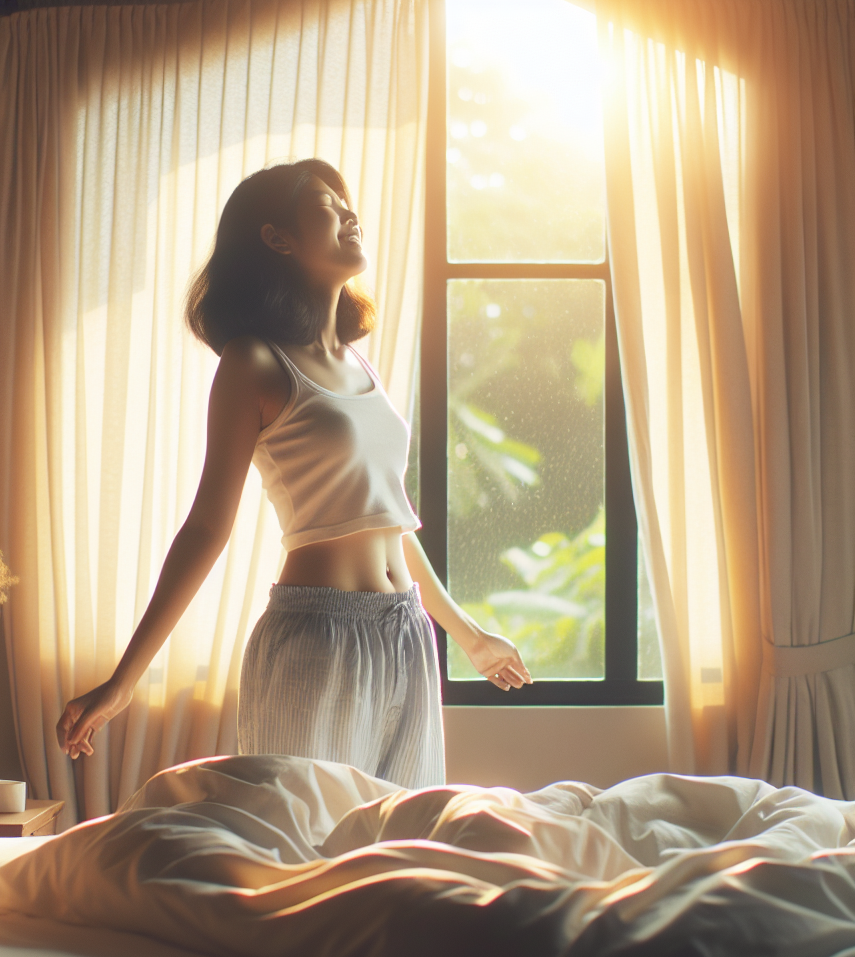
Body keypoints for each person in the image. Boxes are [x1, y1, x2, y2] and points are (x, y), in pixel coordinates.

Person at [56, 159, 532, 787]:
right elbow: (205, 527)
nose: (350, 212)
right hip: (317, 638)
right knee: (301, 850)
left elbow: (388, 517)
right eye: (327, 204)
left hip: (408, 635)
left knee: (400, 848)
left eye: (347, 200)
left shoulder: (360, 364)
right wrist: (124, 681)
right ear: (278, 237)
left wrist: (467, 636)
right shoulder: (253, 362)